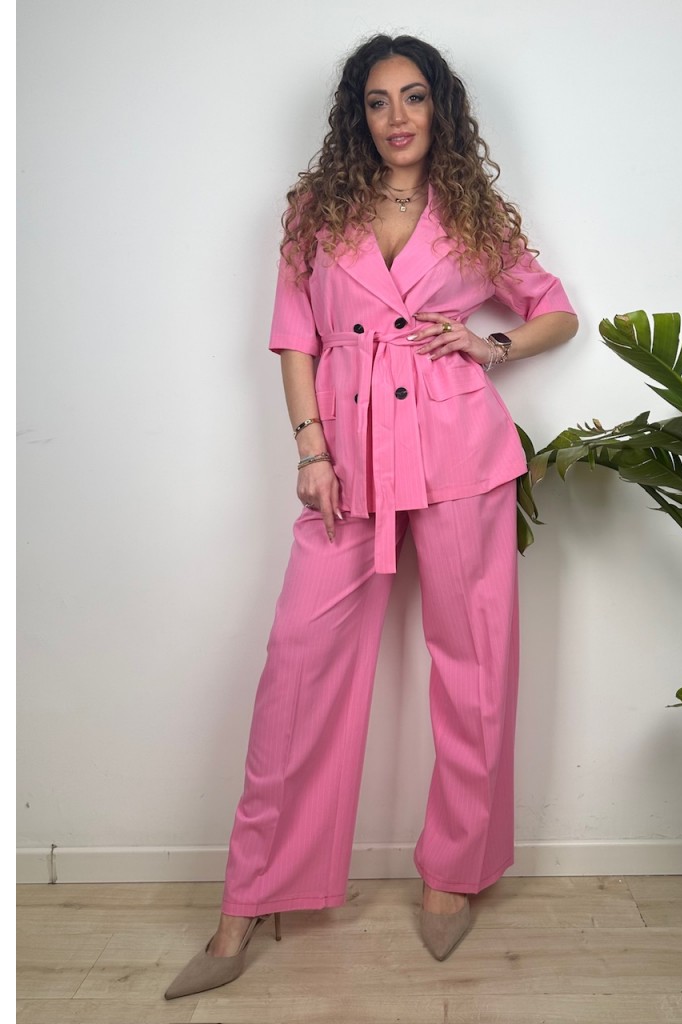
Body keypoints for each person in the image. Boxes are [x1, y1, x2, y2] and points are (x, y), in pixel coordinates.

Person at [164, 33, 577, 1000]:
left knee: (475, 663)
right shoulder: (317, 210)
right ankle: (250, 899)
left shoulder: (473, 214)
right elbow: (294, 339)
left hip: (460, 452)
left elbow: (557, 310)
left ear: (441, 109)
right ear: (358, 114)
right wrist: (310, 450)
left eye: (415, 97)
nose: (398, 117)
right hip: (346, 462)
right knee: (297, 666)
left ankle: (453, 873)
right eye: (379, 100)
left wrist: (492, 345)